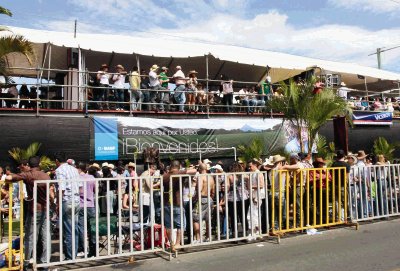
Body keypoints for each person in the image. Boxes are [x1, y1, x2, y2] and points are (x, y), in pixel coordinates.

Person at [5, 156, 53, 269]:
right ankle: (45, 262)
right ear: (39, 163)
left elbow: (10, 177)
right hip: (46, 208)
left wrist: (8, 177)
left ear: (28, 165)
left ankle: (26, 262)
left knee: (31, 237)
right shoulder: (46, 175)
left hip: (34, 209)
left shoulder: (29, 175)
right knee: (46, 237)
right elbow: (51, 192)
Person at [54, 154, 82, 260]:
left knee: (69, 230)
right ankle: (73, 254)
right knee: (74, 228)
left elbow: (61, 188)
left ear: (57, 161)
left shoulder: (59, 170)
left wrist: (58, 203)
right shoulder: (74, 169)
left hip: (67, 200)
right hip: (76, 200)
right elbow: (80, 187)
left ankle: (70, 256)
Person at [77, 163, 97, 257]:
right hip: (90, 205)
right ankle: (93, 249)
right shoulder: (92, 177)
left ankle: (82, 248)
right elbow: (95, 190)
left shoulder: (77, 178)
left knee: (81, 228)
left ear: (79, 169)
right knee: (92, 227)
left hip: (80, 205)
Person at [193, 163, 215, 243]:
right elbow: (213, 191)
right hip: (209, 199)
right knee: (208, 219)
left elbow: (199, 189)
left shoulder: (200, 177)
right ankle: (208, 237)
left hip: (201, 198)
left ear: (199, 169)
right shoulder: (211, 177)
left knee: (195, 218)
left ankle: (198, 238)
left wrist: (194, 198)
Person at [331, 150, 350, 222]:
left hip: (335, 185)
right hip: (342, 185)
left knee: (336, 201)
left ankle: (337, 218)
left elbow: (331, 174)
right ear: (344, 156)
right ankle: (347, 217)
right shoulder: (346, 165)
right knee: (345, 201)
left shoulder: (334, 164)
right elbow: (346, 177)